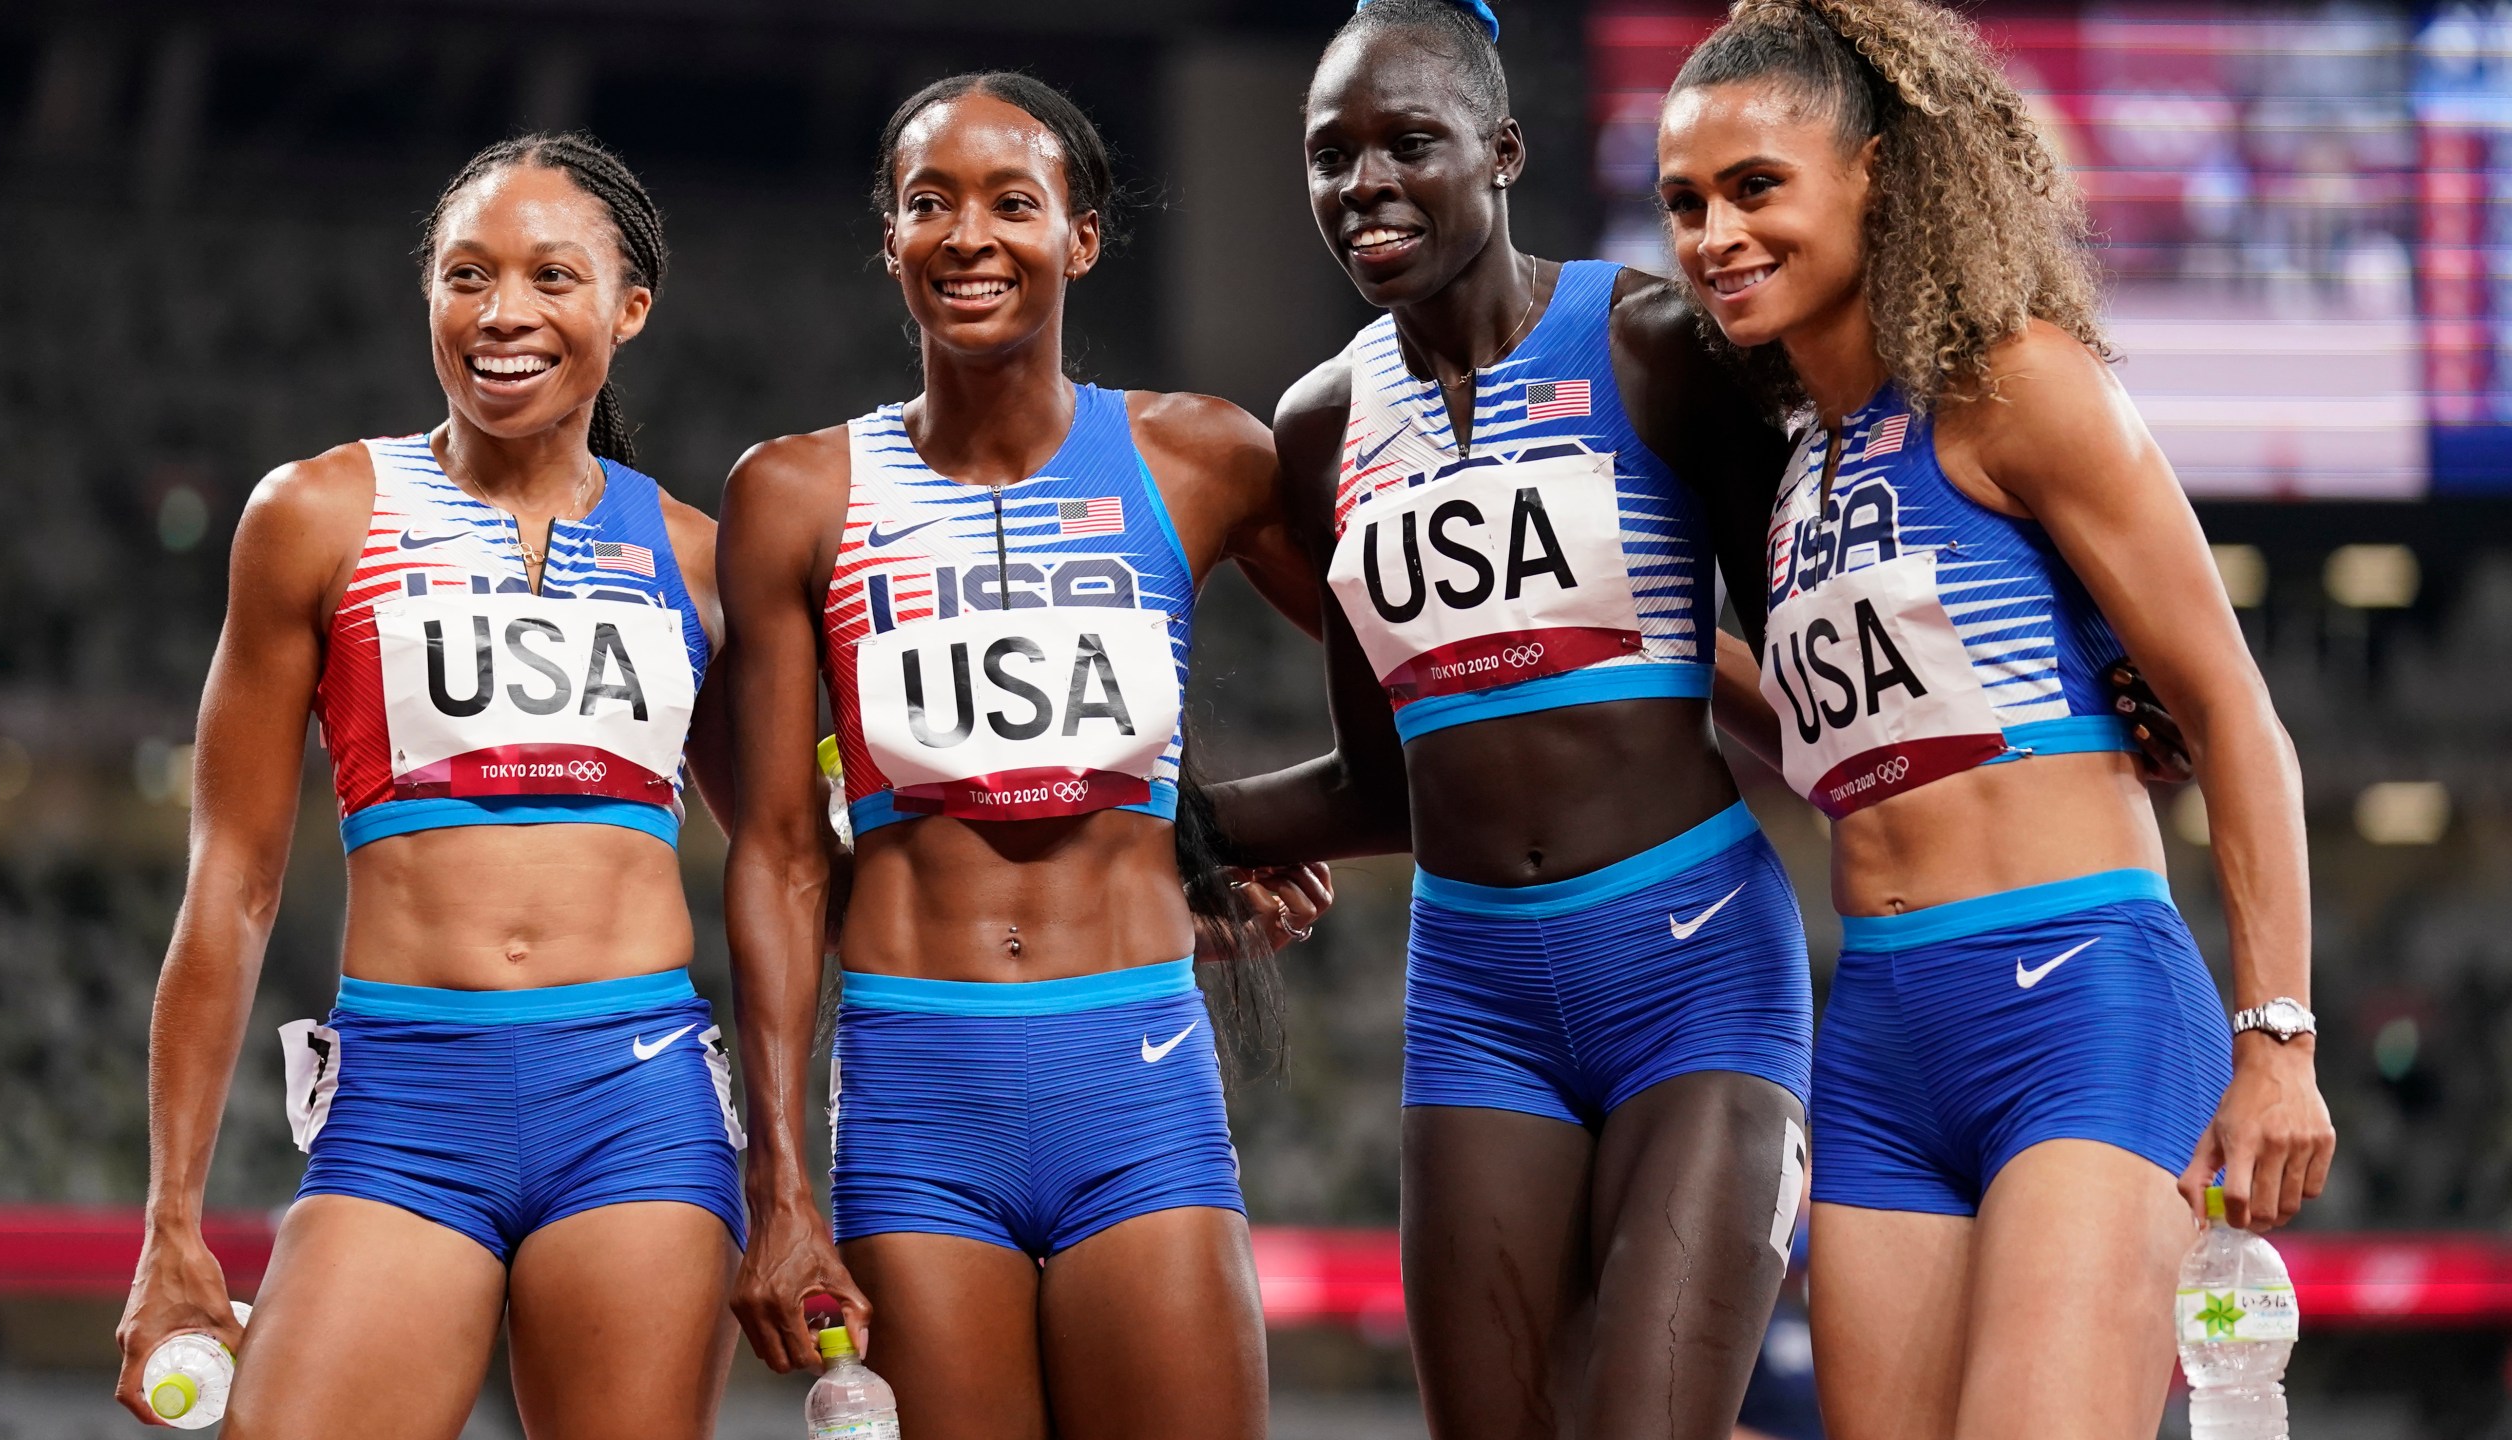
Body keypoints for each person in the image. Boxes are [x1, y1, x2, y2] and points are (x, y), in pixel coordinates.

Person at [1656, 3, 2337, 1436]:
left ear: (1880, 175)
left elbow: (2229, 711)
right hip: (1884, 1029)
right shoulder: (1792, 477)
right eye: (1686, 201)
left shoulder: (2012, 386)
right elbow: (1856, 753)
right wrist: (1657, 646)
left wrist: (2277, 1038)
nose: (1714, 233)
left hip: (2081, 1001)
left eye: (1756, 187)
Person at [1206, 3, 1820, 1435]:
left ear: (1502, 151)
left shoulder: (1658, 343)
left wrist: (2102, 671)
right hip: (1476, 994)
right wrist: (1162, 819)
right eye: (1328, 156)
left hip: (1697, 971)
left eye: (1406, 143)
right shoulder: (1317, 425)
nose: (1364, 185)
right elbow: (1380, 784)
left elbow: (1815, 633)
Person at [715, 71, 1330, 1440]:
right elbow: (774, 851)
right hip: (914, 1098)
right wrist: (779, 1186)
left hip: (1139, 1077)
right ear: (890, 241)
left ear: (1083, 234)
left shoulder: (1200, 458)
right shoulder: (799, 495)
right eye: (927, 203)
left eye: (1013, 201)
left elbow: (1416, 669)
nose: (969, 235)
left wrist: (1249, 837)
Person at [113, 133, 749, 1438]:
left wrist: (1163, 867)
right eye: (468, 276)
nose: (503, 313)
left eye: (551, 277)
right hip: (406, 1096)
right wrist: (168, 1217)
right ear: (430, 298)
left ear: (628, 309)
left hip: (637, 1096)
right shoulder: (318, 516)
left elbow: (799, 866)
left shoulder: (699, 559)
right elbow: (229, 885)